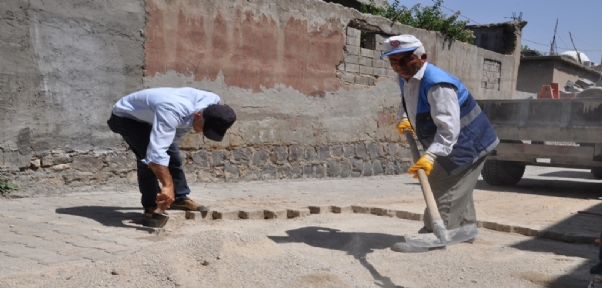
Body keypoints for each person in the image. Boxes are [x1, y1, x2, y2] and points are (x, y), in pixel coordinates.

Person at [380, 35, 499, 252]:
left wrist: (432, 156)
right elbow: (408, 98)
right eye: (393, 61)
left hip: (468, 143)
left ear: (422, 57)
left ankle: (434, 235)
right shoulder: (405, 76)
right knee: (460, 187)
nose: (398, 67)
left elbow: (449, 129)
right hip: (451, 142)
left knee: (444, 187)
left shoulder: (438, 84)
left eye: (404, 60)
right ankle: (464, 230)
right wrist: (406, 117)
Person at [107, 87, 236, 219]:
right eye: (205, 128)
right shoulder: (172, 110)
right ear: (198, 115)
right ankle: (152, 205)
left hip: (154, 116)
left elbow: (172, 138)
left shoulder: (213, 103)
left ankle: (179, 198)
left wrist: (164, 153)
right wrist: (167, 185)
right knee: (147, 159)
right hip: (127, 117)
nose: (203, 132)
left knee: (172, 157)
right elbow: (154, 156)